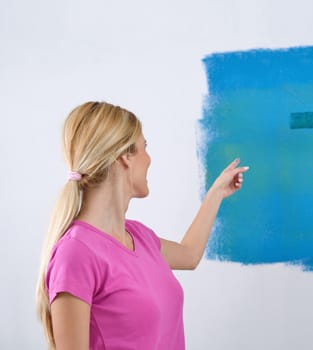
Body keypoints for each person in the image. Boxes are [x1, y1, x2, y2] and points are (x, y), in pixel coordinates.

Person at [35, 101, 249, 350]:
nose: (149, 159)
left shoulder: (139, 235)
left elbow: (189, 255)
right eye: (144, 147)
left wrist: (216, 193)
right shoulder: (76, 253)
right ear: (125, 156)